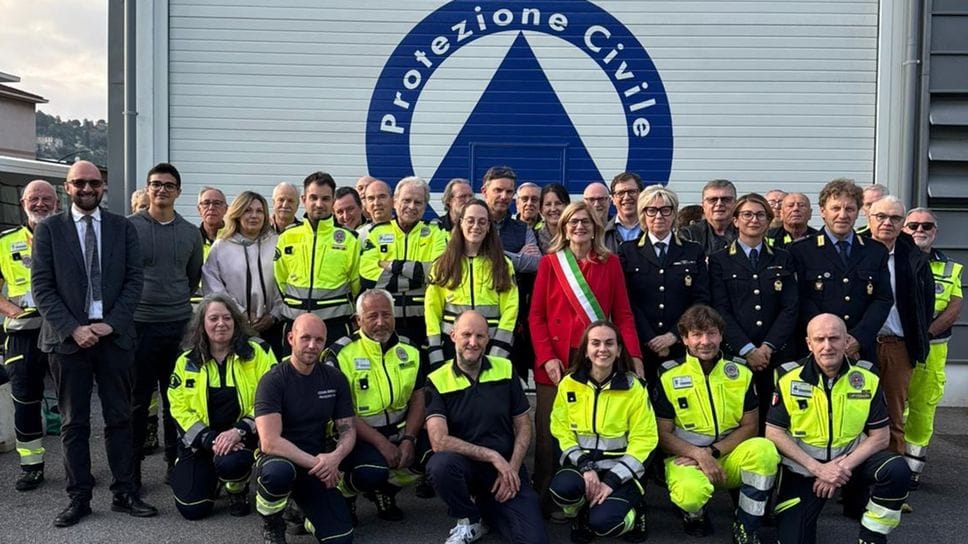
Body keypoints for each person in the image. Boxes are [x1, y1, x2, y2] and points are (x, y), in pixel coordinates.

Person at [32, 160, 157, 526]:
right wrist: (74, 328)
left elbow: (135, 281)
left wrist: (111, 324)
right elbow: (42, 288)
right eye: (79, 183)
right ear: (66, 187)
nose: (87, 189)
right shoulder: (50, 231)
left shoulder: (122, 228)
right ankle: (79, 497)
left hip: (114, 338)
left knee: (120, 417)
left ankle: (124, 491)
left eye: (94, 183)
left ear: (104, 186)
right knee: (74, 423)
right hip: (68, 340)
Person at [530, 201, 642, 515]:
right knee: (549, 433)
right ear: (563, 228)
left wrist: (634, 357)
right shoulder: (551, 263)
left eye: (586, 222)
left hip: (596, 359)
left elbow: (623, 314)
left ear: (596, 228)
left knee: (594, 429)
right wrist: (546, 358)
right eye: (573, 222)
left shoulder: (611, 264)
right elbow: (536, 316)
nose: (579, 227)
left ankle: (593, 493)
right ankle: (548, 497)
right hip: (556, 360)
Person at [767, 313, 910, 544]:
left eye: (834, 338)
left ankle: (871, 536)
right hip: (804, 469)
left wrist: (838, 469)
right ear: (809, 344)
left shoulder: (866, 377)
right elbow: (773, 433)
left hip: (852, 464)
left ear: (846, 342)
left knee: (897, 470)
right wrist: (819, 469)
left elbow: (881, 437)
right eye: (820, 339)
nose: (827, 346)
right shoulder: (787, 377)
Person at [654, 305, 779, 543]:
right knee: (691, 494)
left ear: (721, 335)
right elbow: (662, 434)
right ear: (684, 339)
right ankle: (694, 515)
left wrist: (712, 452)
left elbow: (750, 426)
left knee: (765, 450)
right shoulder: (668, 375)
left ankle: (746, 525)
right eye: (697, 334)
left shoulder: (741, 371)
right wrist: (699, 455)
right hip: (686, 458)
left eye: (711, 333)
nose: (705, 341)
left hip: (729, 455)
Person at [424, 310, 548, 544]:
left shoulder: (506, 369)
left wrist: (512, 467)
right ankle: (468, 518)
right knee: (440, 465)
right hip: (466, 466)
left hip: (506, 467)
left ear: (488, 339)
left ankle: (486, 508)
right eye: (466, 335)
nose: (473, 342)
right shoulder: (437, 379)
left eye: (480, 336)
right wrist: (492, 456)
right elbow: (439, 440)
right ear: (453, 336)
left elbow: (523, 424)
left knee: (533, 539)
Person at [324, 289, 432, 522]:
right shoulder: (340, 353)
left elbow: (418, 397)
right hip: (357, 436)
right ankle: (345, 493)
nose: (381, 322)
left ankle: (386, 490)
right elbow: (342, 412)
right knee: (371, 472)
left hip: (401, 431)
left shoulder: (410, 350)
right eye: (372, 316)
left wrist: (409, 439)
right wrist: (381, 443)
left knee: (433, 455)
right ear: (358, 320)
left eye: (386, 315)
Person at [128, 162, 205, 488]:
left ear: (178, 191)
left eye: (168, 185)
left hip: (177, 327)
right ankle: (131, 472)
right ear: (147, 189)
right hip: (139, 328)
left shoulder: (189, 233)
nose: (161, 190)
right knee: (136, 403)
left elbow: (191, 278)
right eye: (155, 184)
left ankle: (176, 465)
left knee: (177, 401)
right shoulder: (128, 228)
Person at [168, 294, 277, 519]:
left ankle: (236, 488)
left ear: (236, 321)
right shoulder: (187, 361)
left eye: (227, 318)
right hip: (203, 441)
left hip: (245, 437)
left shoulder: (259, 353)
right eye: (213, 318)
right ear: (202, 324)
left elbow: (272, 399)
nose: (221, 324)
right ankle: (209, 473)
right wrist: (209, 439)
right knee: (193, 509)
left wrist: (240, 430)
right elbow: (178, 408)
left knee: (232, 462)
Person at [549, 320, 657, 543]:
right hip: (583, 466)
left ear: (618, 350)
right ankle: (581, 512)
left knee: (605, 524)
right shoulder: (569, 384)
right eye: (595, 343)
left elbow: (645, 439)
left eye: (609, 343)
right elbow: (560, 430)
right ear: (586, 351)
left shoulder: (634, 388)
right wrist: (585, 465)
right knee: (562, 490)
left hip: (620, 472)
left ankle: (635, 513)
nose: (602, 349)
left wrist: (612, 481)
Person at [254, 313, 356, 544]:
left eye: (319, 340)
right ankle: (273, 523)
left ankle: (305, 515)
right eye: (305, 338)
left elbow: (348, 428)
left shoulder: (335, 378)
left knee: (341, 539)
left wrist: (335, 457)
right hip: (282, 459)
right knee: (278, 474)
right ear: (291, 338)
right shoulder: (273, 381)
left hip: (319, 463)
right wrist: (322, 465)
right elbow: (270, 441)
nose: (312, 345)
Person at [709, 193, 798, 431]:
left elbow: (790, 307)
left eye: (760, 215)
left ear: (769, 221)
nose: (754, 220)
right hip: (737, 354)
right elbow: (720, 309)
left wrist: (767, 347)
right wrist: (748, 350)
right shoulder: (719, 260)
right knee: (739, 417)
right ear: (735, 221)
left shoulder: (783, 258)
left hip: (776, 354)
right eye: (747, 214)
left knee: (777, 417)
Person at [789, 178, 892, 364]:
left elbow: (882, 299)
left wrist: (858, 338)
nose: (843, 215)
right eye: (836, 208)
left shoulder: (875, 251)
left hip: (860, 349)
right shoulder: (801, 251)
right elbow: (799, 299)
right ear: (822, 212)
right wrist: (831, 338)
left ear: (858, 212)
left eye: (850, 209)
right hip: (817, 348)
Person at [620, 185, 708, 386]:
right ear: (643, 214)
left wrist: (674, 335)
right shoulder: (628, 251)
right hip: (641, 346)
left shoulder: (692, 251)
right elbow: (627, 301)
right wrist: (650, 337)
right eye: (651, 210)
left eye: (665, 209)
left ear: (674, 213)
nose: (658, 216)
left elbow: (700, 299)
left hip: (681, 345)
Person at [902, 208, 963, 490]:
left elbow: (953, 308)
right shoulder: (891, 260)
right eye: (913, 224)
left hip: (932, 349)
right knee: (892, 407)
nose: (920, 230)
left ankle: (912, 470)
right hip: (897, 347)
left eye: (927, 226)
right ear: (903, 229)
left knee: (922, 410)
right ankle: (888, 465)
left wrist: (924, 334)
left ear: (935, 232)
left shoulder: (950, 268)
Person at [868, 196, 933, 455]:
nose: (887, 223)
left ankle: (891, 482)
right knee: (857, 413)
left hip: (898, 347)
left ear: (903, 223)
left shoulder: (914, 259)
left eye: (895, 218)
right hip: (860, 345)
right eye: (881, 216)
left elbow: (924, 306)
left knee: (894, 417)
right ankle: (855, 480)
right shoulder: (856, 253)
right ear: (869, 219)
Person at [3, 180, 57, 491]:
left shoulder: (67, 239)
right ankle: (32, 466)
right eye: (34, 198)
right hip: (23, 333)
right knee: (25, 398)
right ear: (23, 202)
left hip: (60, 330)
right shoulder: (5, 241)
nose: (40, 204)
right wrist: (11, 310)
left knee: (70, 400)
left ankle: (76, 467)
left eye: (47, 199)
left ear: (57, 204)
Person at [425, 199, 518, 368]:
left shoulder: (503, 264)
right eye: (470, 220)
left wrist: (499, 352)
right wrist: (435, 351)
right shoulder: (442, 264)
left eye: (482, 221)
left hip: (489, 344)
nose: (476, 226)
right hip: (451, 345)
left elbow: (510, 310)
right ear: (460, 223)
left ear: (489, 226)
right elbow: (432, 310)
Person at [360, 176, 448, 354]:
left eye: (418, 202)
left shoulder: (436, 233)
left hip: (424, 321)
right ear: (395, 202)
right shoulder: (376, 233)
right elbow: (368, 279)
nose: (412, 207)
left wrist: (392, 265)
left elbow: (438, 272)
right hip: (385, 322)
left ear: (425, 206)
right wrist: (419, 278)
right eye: (406, 200)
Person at [274, 171, 361, 341]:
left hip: (335, 325)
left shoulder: (350, 240)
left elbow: (356, 284)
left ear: (333, 201)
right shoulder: (287, 237)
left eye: (325, 199)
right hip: (295, 324)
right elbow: (280, 279)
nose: (319, 204)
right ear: (304, 199)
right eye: (313, 198)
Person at [202, 190, 284, 355]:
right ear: (237, 214)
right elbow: (213, 287)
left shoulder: (277, 243)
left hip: (273, 327)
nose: (254, 215)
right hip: (234, 327)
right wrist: (240, 313)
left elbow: (286, 281)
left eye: (259, 211)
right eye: (247, 210)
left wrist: (274, 315)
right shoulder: (221, 247)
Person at [481, 166, 541, 380]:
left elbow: (535, 263)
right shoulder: (471, 222)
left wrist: (492, 253)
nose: (504, 196)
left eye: (509, 191)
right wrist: (517, 258)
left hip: (511, 322)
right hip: (476, 323)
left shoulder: (522, 229)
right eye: (498, 190)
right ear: (484, 191)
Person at [679, 179, 739, 255]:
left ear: (736, 204)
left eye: (726, 199)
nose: (719, 204)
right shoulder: (689, 234)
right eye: (712, 200)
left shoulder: (747, 233)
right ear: (703, 205)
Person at [604, 171, 643, 253]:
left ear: (642, 195)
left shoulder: (653, 230)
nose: (626, 197)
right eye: (620, 193)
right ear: (613, 199)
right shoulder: (602, 234)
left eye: (632, 192)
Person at [534, 183, 570, 253]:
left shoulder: (576, 235)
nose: (553, 209)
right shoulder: (534, 238)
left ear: (567, 206)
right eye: (548, 204)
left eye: (558, 203)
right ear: (541, 209)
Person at [198, 186, 228, 259]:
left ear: (226, 209)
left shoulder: (234, 238)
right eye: (206, 203)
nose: (211, 207)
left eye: (217, 203)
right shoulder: (192, 239)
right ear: (199, 209)